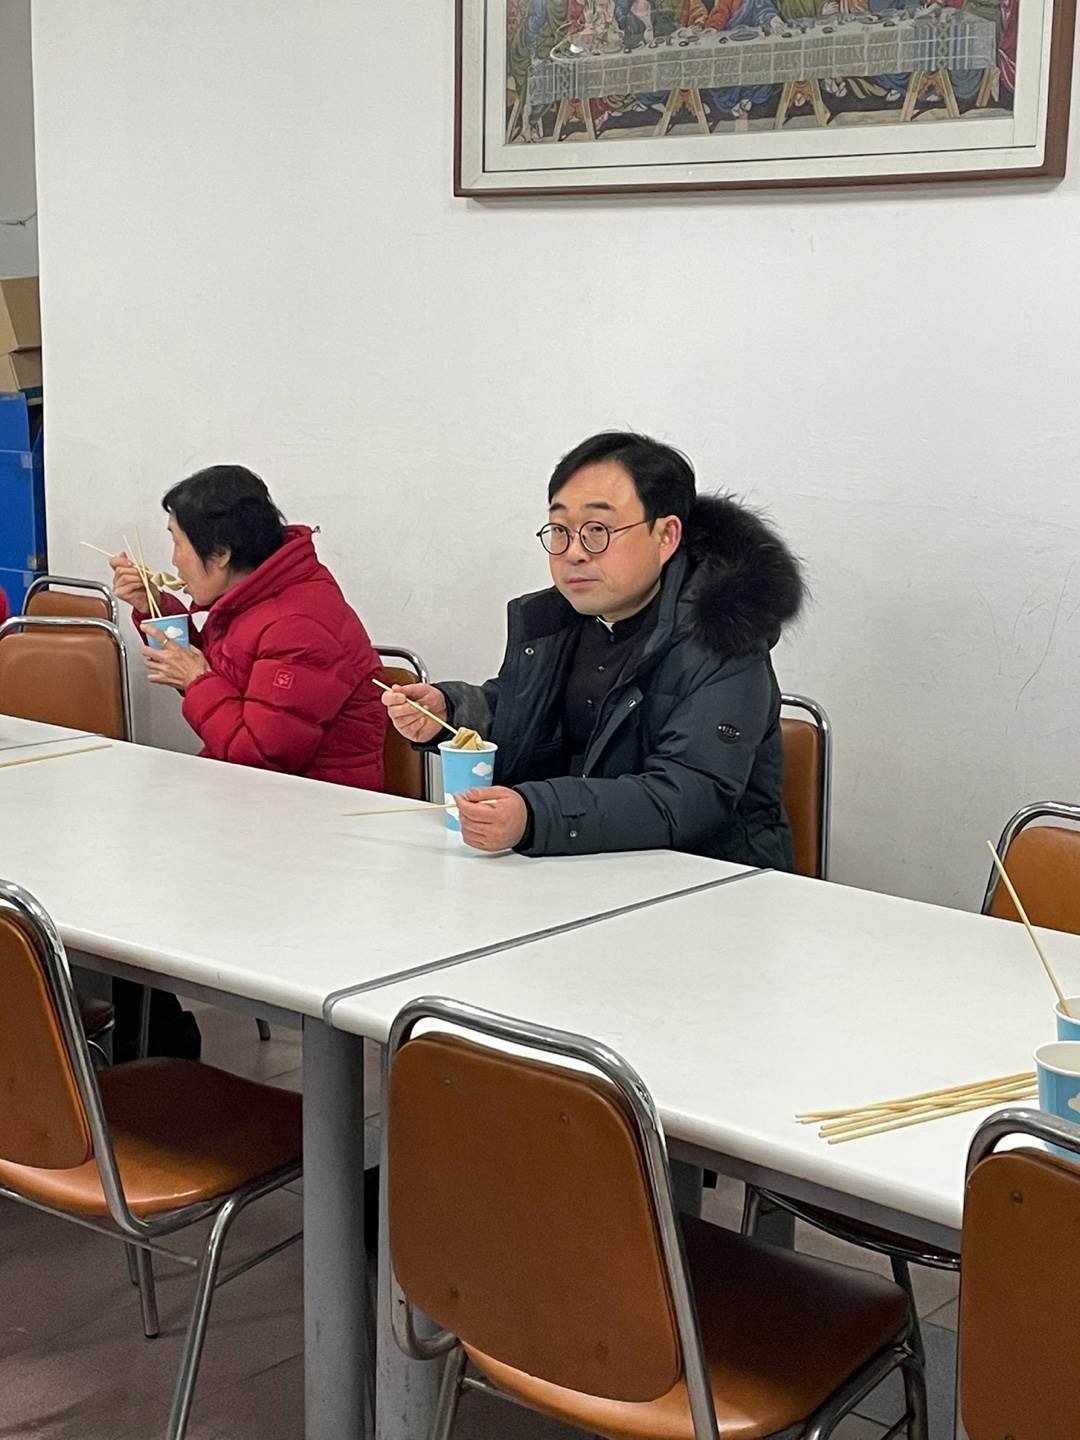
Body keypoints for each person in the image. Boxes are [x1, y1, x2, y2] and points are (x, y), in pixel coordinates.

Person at [383, 432, 804, 868]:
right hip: (576, 871)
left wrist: (536, 815)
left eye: (598, 531)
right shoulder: (561, 620)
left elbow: (689, 794)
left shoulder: (723, 636)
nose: (574, 553)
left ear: (666, 536)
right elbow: (521, 716)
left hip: (706, 880)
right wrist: (451, 713)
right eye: (560, 531)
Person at [108, 464, 386, 1058]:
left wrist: (196, 681)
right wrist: (155, 607)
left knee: (129, 874)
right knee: (120, 851)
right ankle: (148, 1035)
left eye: (179, 544)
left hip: (315, 833)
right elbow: (234, 682)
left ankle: (151, 1042)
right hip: (257, 810)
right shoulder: (256, 598)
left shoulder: (299, 621)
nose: (174, 560)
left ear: (222, 552)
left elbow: (262, 755)